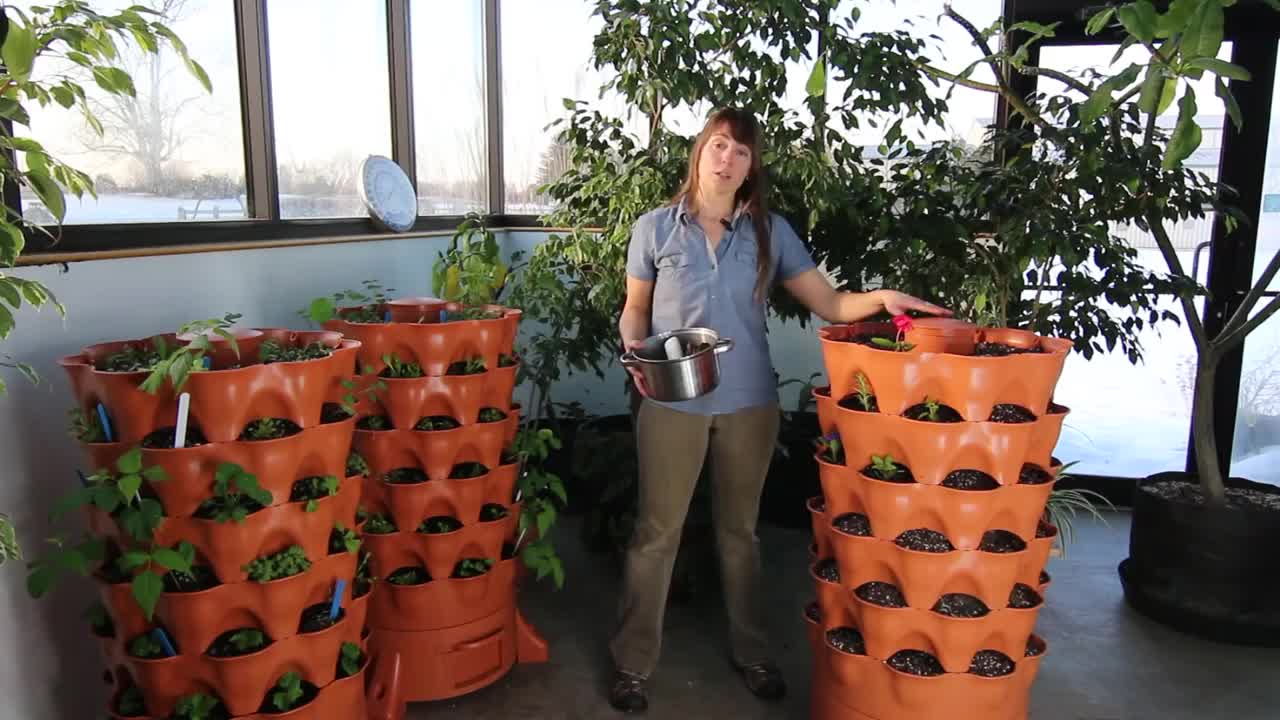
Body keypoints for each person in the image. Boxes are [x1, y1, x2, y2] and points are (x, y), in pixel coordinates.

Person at [609, 107, 950, 713]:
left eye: (740, 152)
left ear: (750, 168)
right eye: (718, 145)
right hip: (670, 400)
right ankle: (633, 665)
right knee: (656, 533)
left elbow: (833, 304)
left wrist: (883, 298)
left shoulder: (771, 232)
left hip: (749, 403)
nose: (726, 158)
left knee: (739, 532)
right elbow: (636, 309)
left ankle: (754, 653)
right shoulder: (655, 228)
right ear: (699, 151)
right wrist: (633, 347)